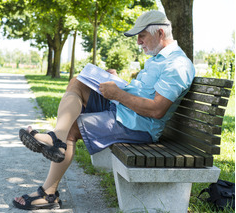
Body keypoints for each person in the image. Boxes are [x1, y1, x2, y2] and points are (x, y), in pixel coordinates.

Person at [13, 10, 195, 210]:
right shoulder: (158, 58)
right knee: (78, 83)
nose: (138, 42)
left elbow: (157, 110)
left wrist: (118, 94)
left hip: (138, 125)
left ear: (160, 33)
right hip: (124, 110)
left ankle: (49, 193)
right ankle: (57, 138)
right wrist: (117, 82)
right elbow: (145, 93)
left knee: (73, 128)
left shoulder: (177, 65)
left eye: (141, 36)